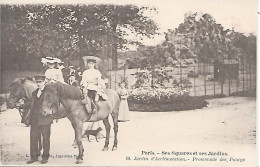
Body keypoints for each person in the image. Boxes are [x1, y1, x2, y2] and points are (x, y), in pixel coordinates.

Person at [26, 75, 54, 164]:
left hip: (45, 119)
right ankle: (33, 157)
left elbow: (56, 105)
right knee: (33, 137)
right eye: (37, 82)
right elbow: (32, 105)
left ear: (44, 82)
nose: (38, 84)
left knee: (45, 138)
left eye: (40, 82)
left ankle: (45, 157)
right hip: (34, 119)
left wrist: (51, 111)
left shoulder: (50, 92)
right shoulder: (34, 93)